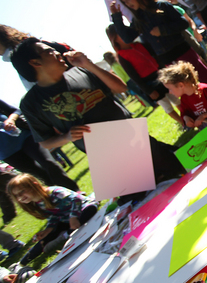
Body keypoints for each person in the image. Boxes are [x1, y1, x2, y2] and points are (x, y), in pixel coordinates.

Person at [11, 38, 186, 185]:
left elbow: (120, 87)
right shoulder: (30, 103)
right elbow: (45, 142)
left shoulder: (80, 71)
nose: (58, 53)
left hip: (134, 136)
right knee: (149, 199)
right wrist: (67, 137)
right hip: (108, 158)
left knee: (181, 172)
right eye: (49, 52)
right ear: (35, 62)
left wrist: (88, 65)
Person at [110, 0, 207, 91]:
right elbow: (127, 37)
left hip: (183, 52)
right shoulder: (138, 20)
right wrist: (117, 17)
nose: (128, 3)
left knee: (206, 80)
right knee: (190, 89)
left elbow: (182, 23)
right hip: (168, 61)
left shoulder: (161, 6)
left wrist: (162, 30)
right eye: (124, 2)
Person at [7, 174, 98, 265]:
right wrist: (48, 229)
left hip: (82, 209)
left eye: (22, 191)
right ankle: (21, 263)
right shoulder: (37, 203)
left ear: (34, 185)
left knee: (90, 210)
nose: (20, 197)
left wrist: (73, 217)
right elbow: (53, 216)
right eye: (16, 196)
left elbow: (76, 199)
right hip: (65, 220)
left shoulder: (55, 192)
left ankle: (65, 235)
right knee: (46, 237)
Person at [105, 24, 183, 125]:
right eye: (121, 33)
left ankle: (187, 117)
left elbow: (155, 58)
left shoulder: (138, 45)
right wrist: (149, 91)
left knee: (175, 99)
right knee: (166, 105)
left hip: (161, 76)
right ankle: (182, 123)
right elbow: (134, 77)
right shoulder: (122, 56)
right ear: (115, 39)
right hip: (149, 83)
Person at [0, 98, 79, 195]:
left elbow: (15, 110)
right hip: (6, 152)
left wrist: (11, 119)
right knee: (39, 175)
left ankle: (76, 194)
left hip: (24, 137)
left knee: (49, 163)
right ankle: (60, 197)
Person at [158, 61, 207, 132]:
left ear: (181, 85)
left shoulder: (205, 89)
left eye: (170, 89)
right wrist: (186, 118)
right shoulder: (184, 98)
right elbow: (184, 113)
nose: (170, 92)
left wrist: (202, 116)